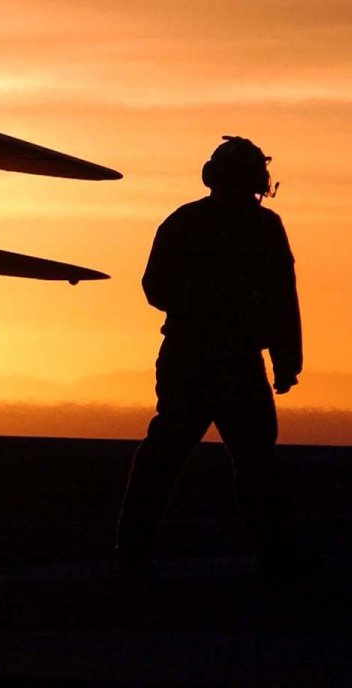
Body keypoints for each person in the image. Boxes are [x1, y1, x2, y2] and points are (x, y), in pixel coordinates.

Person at [116, 135, 301, 577]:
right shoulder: (244, 226)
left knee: (230, 460)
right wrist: (285, 358)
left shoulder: (202, 223)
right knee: (214, 459)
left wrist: (285, 358)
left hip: (209, 358)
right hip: (204, 358)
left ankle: (136, 555)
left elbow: (279, 297)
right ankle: (272, 561)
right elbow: (280, 298)